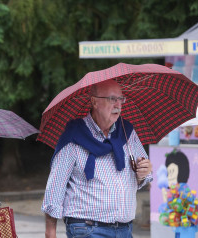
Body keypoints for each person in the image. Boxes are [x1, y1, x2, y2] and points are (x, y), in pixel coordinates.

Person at [43, 79, 153, 238]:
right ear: (94, 102)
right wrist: (50, 231)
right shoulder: (74, 135)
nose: (118, 104)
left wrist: (144, 171)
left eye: (121, 99)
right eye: (112, 99)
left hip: (124, 229)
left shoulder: (127, 131)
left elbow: (142, 176)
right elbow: (56, 185)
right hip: (87, 228)